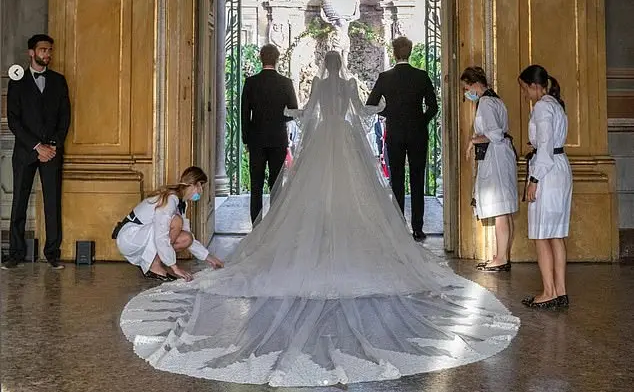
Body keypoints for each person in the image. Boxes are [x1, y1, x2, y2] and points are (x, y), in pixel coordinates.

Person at [119, 51, 519, 387]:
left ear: (322, 67)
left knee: (306, 197)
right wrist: (384, 109)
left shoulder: (319, 85)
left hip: (321, 141)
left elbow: (305, 112)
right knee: (355, 198)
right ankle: (348, 245)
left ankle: (301, 239)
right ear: (341, 66)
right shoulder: (346, 86)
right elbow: (365, 111)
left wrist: (285, 112)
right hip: (343, 142)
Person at [3, 34, 70, 270]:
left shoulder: (59, 81)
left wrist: (53, 145)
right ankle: (15, 253)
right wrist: (36, 146)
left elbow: (65, 117)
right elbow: (13, 120)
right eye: (43, 50)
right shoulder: (17, 83)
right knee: (19, 201)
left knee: (52, 202)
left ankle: (52, 253)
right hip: (25, 151)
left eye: (49, 50)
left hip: (52, 150)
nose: (47, 54)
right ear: (31, 52)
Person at [367, 36, 438, 240]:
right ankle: (418, 227)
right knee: (417, 179)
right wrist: (421, 121)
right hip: (417, 133)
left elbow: (371, 104)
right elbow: (433, 107)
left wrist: (389, 113)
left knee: (396, 180)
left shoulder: (385, 77)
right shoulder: (421, 76)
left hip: (395, 133)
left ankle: (398, 226)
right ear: (410, 51)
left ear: (394, 52)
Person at [518, 65, 572, 310]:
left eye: (524, 89)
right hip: (560, 168)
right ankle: (560, 290)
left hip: (547, 171)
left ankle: (548, 291)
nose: (525, 94)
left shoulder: (541, 107)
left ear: (534, 86)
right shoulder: (556, 105)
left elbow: (546, 147)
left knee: (541, 234)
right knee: (557, 234)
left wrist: (534, 179)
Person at [113, 166, 223, 281]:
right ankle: (154, 265)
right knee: (176, 221)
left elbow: (188, 237)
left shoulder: (181, 203)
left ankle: (151, 262)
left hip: (143, 235)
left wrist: (209, 257)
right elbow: (161, 233)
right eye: (200, 185)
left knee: (187, 238)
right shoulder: (171, 199)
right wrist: (174, 268)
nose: (201, 191)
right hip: (130, 237)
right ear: (192, 184)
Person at [461, 66, 518, 271]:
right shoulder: (497, 100)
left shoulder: (485, 102)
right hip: (502, 156)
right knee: (505, 209)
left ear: (475, 85)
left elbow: (494, 134)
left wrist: (473, 140)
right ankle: (501, 255)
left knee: (500, 209)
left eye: (467, 87)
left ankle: (501, 258)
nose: (466, 93)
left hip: (495, 157)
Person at [241, 44, 298, 223]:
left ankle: (256, 225)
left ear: (260, 58)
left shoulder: (251, 82)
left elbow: (244, 113)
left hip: (256, 139)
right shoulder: (285, 82)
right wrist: (279, 121)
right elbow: (293, 110)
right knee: (276, 185)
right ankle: (273, 226)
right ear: (277, 59)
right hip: (278, 139)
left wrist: (246, 138)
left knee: (256, 185)